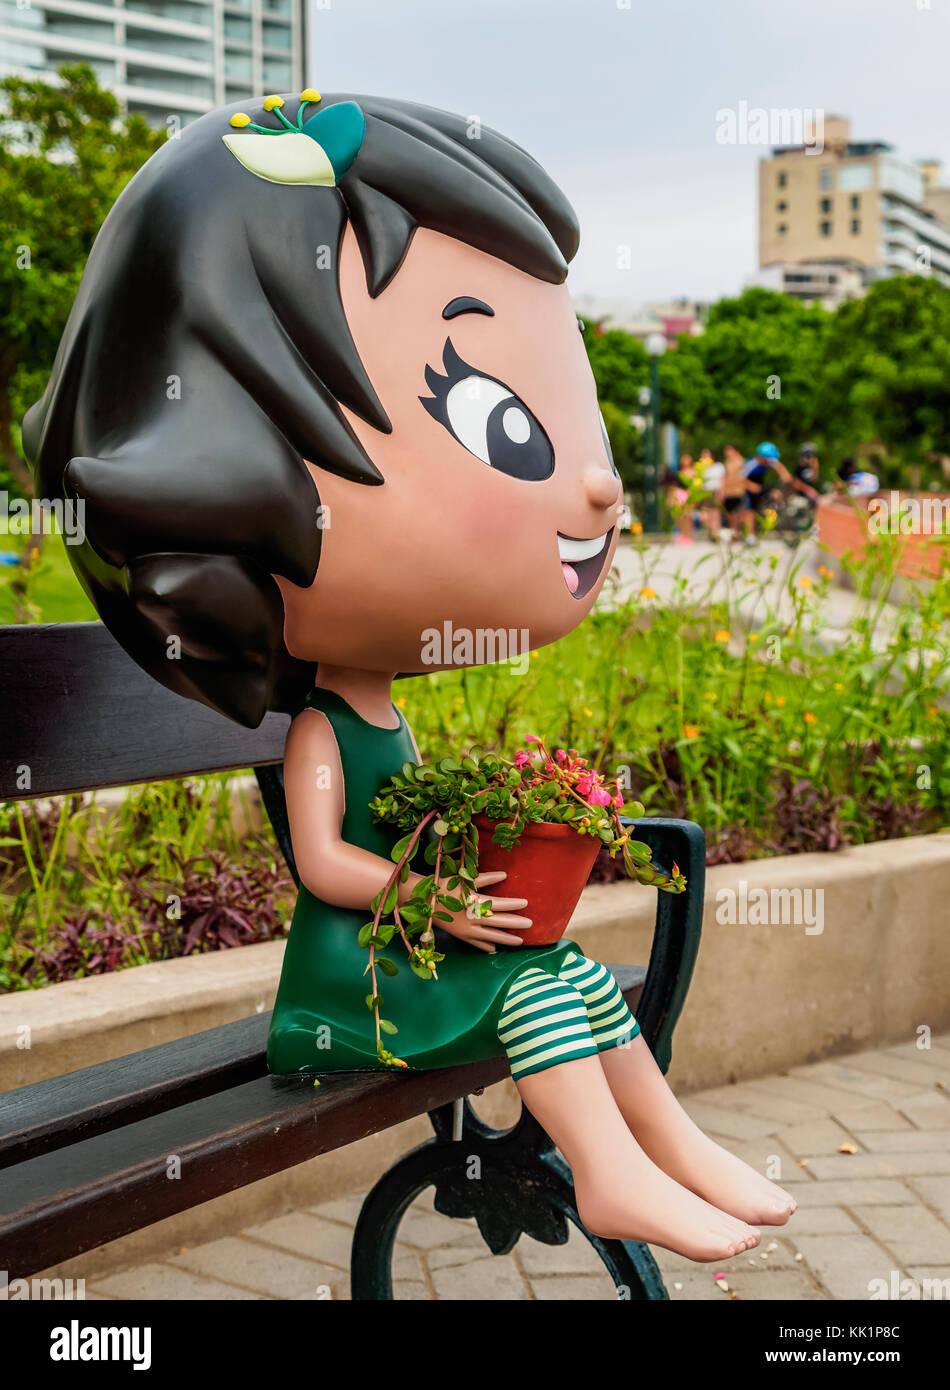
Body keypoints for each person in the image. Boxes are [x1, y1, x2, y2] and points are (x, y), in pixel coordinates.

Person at [25, 88, 794, 1261]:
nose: (593, 487)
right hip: (349, 995)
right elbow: (326, 860)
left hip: (409, 958)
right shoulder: (327, 724)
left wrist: (496, 827)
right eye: (500, 420)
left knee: (572, 974)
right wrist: (430, 898)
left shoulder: (378, 703)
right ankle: (603, 1174)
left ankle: (670, 1145)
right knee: (537, 993)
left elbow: (408, 822)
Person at [718, 444, 750, 538]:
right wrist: (722, 490)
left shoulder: (742, 461)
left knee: (739, 514)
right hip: (728, 491)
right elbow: (724, 477)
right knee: (729, 514)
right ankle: (733, 532)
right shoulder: (727, 462)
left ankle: (741, 533)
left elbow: (745, 476)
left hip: (739, 491)